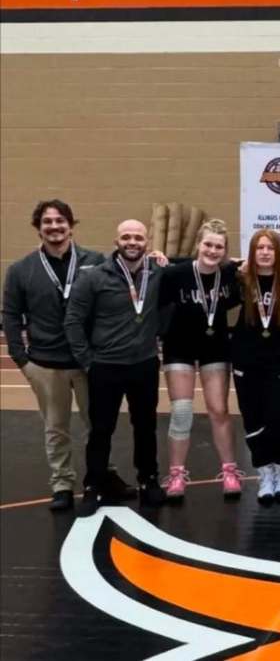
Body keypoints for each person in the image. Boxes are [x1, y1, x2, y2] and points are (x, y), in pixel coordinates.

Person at [2, 200, 108, 510]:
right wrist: (22, 359)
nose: (54, 227)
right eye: (47, 222)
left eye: (60, 220)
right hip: (45, 364)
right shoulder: (22, 270)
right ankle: (62, 483)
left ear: (71, 225)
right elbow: (10, 316)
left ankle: (98, 478)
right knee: (55, 427)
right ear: (39, 228)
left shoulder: (96, 261)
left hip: (89, 362)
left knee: (98, 425)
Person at [64, 219, 167, 516]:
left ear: (147, 242)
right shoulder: (94, 277)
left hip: (144, 365)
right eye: (126, 237)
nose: (132, 242)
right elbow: (73, 320)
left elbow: (193, 269)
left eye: (137, 237)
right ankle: (93, 486)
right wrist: (88, 361)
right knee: (101, 430)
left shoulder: (158, 273)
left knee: (146, 427)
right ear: (116, 241)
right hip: (105, 367)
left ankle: (149, 480)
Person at [158, 220, 242, 500]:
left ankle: (229, 471)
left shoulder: (231, 275)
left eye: (219, 247)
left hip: (214, 347)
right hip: (179, 346)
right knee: (181, 412)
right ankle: (177, 474)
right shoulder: (175, 274)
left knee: (219, 409)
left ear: (225, 251)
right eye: (208, 244)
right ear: (198, 244)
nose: (212, 250)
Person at [231, 229, 280, 504]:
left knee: (279, 418)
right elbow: (204, 268)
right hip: (247, 361)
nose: (265, 253)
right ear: (252, 252)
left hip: (279, 362)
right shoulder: (240, 279)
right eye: (259, 248)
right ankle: (264, 473)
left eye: (270, 248)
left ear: (278, 252)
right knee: (253, 419)